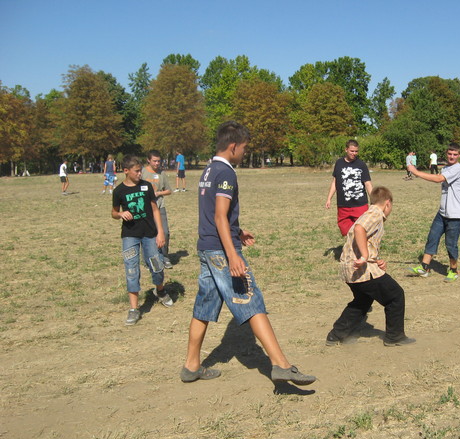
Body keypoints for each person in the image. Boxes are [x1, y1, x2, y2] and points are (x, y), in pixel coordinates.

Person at [181, 121, 315, 385]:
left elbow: (213, 214)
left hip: (207, 247)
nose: (244, 153)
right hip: (222, 252)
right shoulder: (226, 173)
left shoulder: (208, 170)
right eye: (244, 148)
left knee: (204, 307)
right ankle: (281, 365)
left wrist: (238, 231)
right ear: (233, 146)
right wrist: (233, 254)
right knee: (252, 301)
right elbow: (220, 216)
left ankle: (191, 366)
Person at [326, 186, 415, 347]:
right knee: (395, 295)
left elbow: (364, 238)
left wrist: (375, 259)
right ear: (387, 203)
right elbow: (360, 229)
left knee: (362, 300)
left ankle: (336, 335)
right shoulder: (375, 214)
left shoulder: (368, 213)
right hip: (360, 268)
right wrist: (365, 256)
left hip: (349, 268)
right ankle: (394, 337)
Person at [112, 155, 174, 326]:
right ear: (126, 171)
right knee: (131, 269)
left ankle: (160, 291)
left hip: (149, 234)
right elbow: (113, 213)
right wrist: (120, 214)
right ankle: (134, 309)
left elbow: (155, 210)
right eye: (136, 171)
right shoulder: (119, 191)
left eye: (140, 170)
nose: (140, 174)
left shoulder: (146, 186)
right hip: (130, 235)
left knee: (157, 265)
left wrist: (160, 233)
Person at [408, 143, 460, 282]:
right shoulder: (446, 168)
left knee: (450, 244)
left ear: (459, 155)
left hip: (456, 215)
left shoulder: (457, 168)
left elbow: (438, 179)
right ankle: (424, 267)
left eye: (455, 154)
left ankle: (453, 270)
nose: (452, 156)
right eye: (450, 154)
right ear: (446, 154)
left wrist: (416, 172)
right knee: (432, 237)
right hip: (443, 212)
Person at [325, 140, 373, 236]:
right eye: (352, 151)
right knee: (346, 232)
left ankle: (361, 245)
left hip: (359, 205)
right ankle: (352, 245)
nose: (354, 153)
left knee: (362, 231)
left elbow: (367, 183)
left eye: (356, 151)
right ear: (346, 150)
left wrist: (374, 200)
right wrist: (329, 198)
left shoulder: (361, 165)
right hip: (343, 205)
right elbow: (335, 182)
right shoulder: (339, 163)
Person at [142, 150, 173, 269]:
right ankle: (147, 259)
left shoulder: (162, 173)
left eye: (158, 161)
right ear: (148, 160)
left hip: (160, 206)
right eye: (154, 161)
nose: (157, 163)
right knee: (147, 233)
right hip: (145, 208)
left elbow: (169, 190)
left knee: (164, 232)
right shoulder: (143, 172)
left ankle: (165, 257)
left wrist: (158, 193)